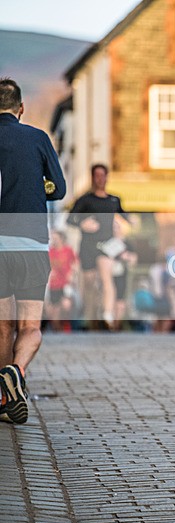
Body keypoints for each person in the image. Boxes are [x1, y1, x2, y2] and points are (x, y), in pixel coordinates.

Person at [0, 77, 67, 424]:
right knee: (29, 325)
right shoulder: (38, 138)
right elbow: (59, 189)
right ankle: (16, 370)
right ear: (21, 108)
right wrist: (37, 184)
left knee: (2, 326)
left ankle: (1, 397)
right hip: (30, 241)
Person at [67, 163, 126, 328]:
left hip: (107, 245)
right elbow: (70, 219)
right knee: (90, 283)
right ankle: (91, 317)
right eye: (96, 175)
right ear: (92, 177)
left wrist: (130, 222)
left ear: (107, 177)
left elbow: (124, 214)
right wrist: (83, 224)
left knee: (107, 279)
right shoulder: (85, 200)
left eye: (103, 175)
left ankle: (107, 315)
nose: (100, 179)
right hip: (88, 246)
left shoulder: (114, 200)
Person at [46, 230, 78, 332]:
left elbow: (76, 264)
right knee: (52, 311)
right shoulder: (50, 251)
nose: (54, 240)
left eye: (56, 238)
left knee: (66, 305)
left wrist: (72, 274)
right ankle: (57, 330)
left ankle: (66, 326)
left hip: (65, 284)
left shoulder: (68, 250)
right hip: (52, 285)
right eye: (52, 238)